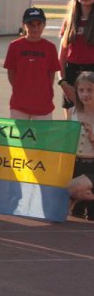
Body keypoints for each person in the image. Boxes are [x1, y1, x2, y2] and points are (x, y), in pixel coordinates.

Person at [4, 7, 60, 120]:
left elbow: (51, 74)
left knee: (42, 137)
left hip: (43, 105)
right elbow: (11, 73)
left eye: (39, 24)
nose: (35, 28)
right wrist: (21, 90)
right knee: (19, 137)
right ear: (24, 24)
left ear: (44, 25)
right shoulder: (14, 46)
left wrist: (42, 92)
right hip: (19, 104)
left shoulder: (50, 48)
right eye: (31, 24)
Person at [59, 0, 94, 119]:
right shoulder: (70, 21)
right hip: (71, 74)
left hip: (92, 73)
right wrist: (63, 82)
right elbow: (61, 56)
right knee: (71, 123)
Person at [65, 72, 94, 220]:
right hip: (75, 166)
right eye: (81, 90)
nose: (85, 94)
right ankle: (80, 198)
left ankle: (82, 196)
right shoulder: (72, 112)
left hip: (92, 168)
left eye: (90, 90)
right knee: (76, 217)